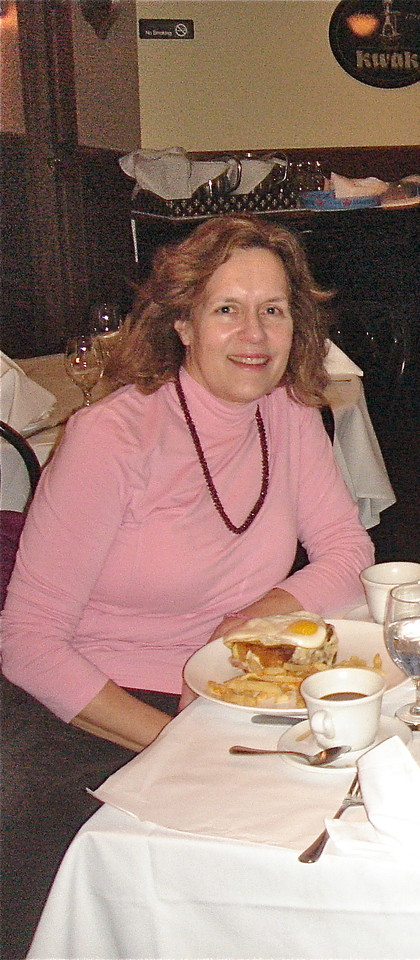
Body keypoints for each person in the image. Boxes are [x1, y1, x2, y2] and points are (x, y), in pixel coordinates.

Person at [0, 215, 373, 956]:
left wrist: (256, 614)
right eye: (227, 309)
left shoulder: (287, 414)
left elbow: (347, 549)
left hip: (235, 698)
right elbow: (27, 644)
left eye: (274, 309)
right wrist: (177, 744)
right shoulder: (113, 437)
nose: (255, 334)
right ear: (181, 322)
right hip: (93, 708)